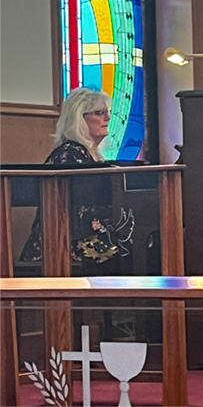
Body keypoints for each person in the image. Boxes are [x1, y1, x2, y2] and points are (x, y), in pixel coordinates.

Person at [20, 87, 134, 276]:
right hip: (61, 244)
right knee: (128, 252)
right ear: (79, 119)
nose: (108, 117)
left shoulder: (93, 156)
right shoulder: (69, 154)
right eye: (100, 112)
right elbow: (75, 211)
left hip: (85, 237)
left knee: (138, 246)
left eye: (107, 112)